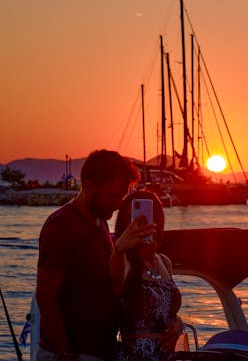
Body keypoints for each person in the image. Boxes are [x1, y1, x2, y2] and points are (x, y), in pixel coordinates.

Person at [36, 150, 142, 361]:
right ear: (90, 186)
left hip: (99, 350)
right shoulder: (62, 225)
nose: (118, 203)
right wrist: (65, 353)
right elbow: (45, 295)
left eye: (122, 196)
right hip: (73, 353)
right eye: (112, 196)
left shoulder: (99, 221)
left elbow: (111, 284)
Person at [110, 190, 183, 361]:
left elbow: (165, 311)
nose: (139, 224)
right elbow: (116, 285)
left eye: (148, 217)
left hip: (165, 356)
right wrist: (119, 248)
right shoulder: (122, 260)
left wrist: (178, 323)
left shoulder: (165, 262)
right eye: (133, 220)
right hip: (136, 355)